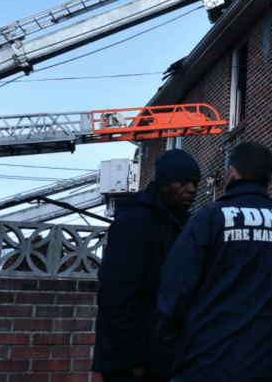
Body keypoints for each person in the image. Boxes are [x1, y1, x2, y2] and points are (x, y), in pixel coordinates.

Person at [155, 142, 272, 382]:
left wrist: (164, 358)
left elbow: (174, 292)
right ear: (269, 178)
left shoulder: (209, 219)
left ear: (232, 172)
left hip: (205, 368)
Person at [92, 149, 202, 382]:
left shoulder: (179, 224)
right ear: (163, 182)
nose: (192, 189)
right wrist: (136, 360)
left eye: (195, 182)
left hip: (160, 358)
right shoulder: (135, 220)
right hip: (132, 364)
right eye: (183, 182)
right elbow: (117, 294)